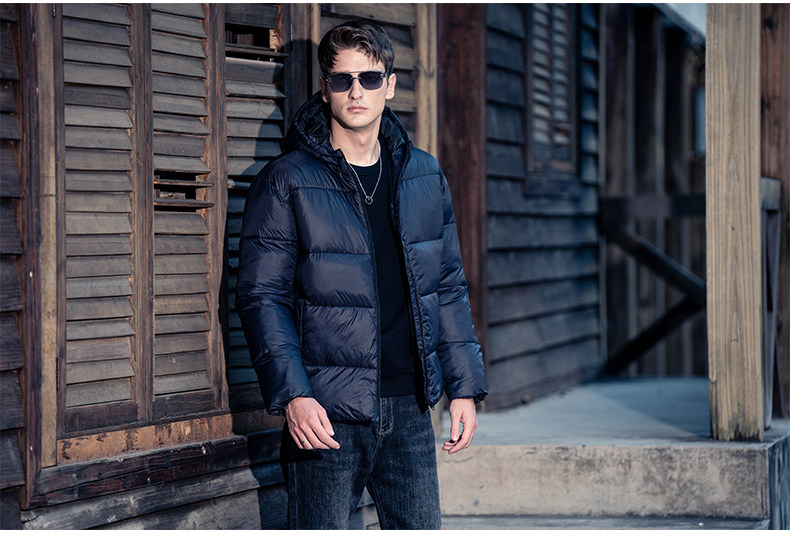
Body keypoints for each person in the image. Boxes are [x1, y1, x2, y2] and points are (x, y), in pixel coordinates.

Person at [235, 20, 487, 530]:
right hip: (326, 413)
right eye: (342, 79)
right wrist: (294, 395)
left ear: (389, 86)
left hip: (410, 407)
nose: (356, 91)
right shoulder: (287, 180)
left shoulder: (423, 175)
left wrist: (463, 387)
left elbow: (447, 286)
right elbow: (262, 297)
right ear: (324, 89)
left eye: (369, 78)